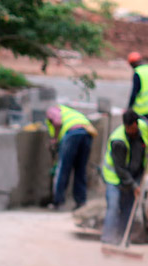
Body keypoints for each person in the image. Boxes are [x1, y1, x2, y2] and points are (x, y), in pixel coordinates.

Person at [101, 109, 148, 245]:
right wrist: (133, 185)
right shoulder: (118, 141)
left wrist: (136, 181)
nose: (129, 130)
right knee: (114, 206)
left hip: (135, 175)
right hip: (114, 177)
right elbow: (120, 169)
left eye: (132, 127)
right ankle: (108, 239)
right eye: (127, 127)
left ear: (136, 124)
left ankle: (122, 238)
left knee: (129, 207)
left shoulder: (143, 129)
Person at [45, 104, 97, 209]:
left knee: (63, 168)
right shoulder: (71, 111)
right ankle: (81, 201)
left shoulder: (53, 109)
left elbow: (57, 122)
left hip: (72, 134)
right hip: (87, 133)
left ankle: (58, 202)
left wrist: (54, 140)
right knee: (80, 169)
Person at [127, 52, 148, 119]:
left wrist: (129, 107)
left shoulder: (138, 73)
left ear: (133, 64)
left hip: (142, 110)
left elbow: (134, 93)